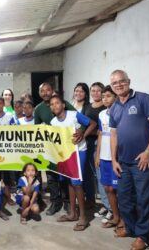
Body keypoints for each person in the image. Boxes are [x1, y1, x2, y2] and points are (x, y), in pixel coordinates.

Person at [109, 70, 149, 250]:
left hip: (143, 160)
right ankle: (131, 228)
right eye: (115, 83)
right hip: (123, 162)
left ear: (129, 81)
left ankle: (143, 236)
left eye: (122, 81)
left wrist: (148, 151)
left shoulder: (143, 99)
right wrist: (114, 160)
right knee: (124, 199)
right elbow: (114, 136)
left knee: (143, 200)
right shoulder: (114, 108)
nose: (119, 85)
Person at [50, 95, 96, 231]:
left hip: (79, 151)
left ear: (63, 105)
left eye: (57, 103)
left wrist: (83, 133)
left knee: (77, 183)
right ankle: (73, 213)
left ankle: (83, 217)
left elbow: (92, 124)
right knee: (70, 181)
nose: (54, 106)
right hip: (66, 154)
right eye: (52, 104)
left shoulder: (74, 115)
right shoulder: (53, 122)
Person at [34, 82, 81, 215]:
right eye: (42, 91)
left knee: (65, 174)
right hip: (49, 147)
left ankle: (67, 202)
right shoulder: (38, 109)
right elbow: (37, 129)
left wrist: (81, 131)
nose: (45, 93)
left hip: (66, 147)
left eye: (47, 90)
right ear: (39, 94)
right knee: (51, 176)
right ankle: (55, 202)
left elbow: (78, 117)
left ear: (52, 90)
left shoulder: (63, 103)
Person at [95, 85, 121, 229]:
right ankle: (115, 216)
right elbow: (100, 135)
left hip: (115, 158)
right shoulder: (101, 114)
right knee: (107, 188)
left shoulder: (119, 112)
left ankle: (122, 218)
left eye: (108, 96)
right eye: (103, 96)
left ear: (115, 97)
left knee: (117, 189)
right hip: (104, 157)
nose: (105, 99)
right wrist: (98, 155)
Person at [84, 82, 109, 213]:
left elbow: (102, 129)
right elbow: (83, 123)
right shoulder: (87, 106)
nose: (95, 93)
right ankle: (91, 200)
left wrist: (89, 132)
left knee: (99, 175)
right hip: (86, 143)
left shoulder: (105, 107)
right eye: (92, 90)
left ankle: (107, 205)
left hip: (99, 143)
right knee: (88, 174)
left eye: (98, 91)